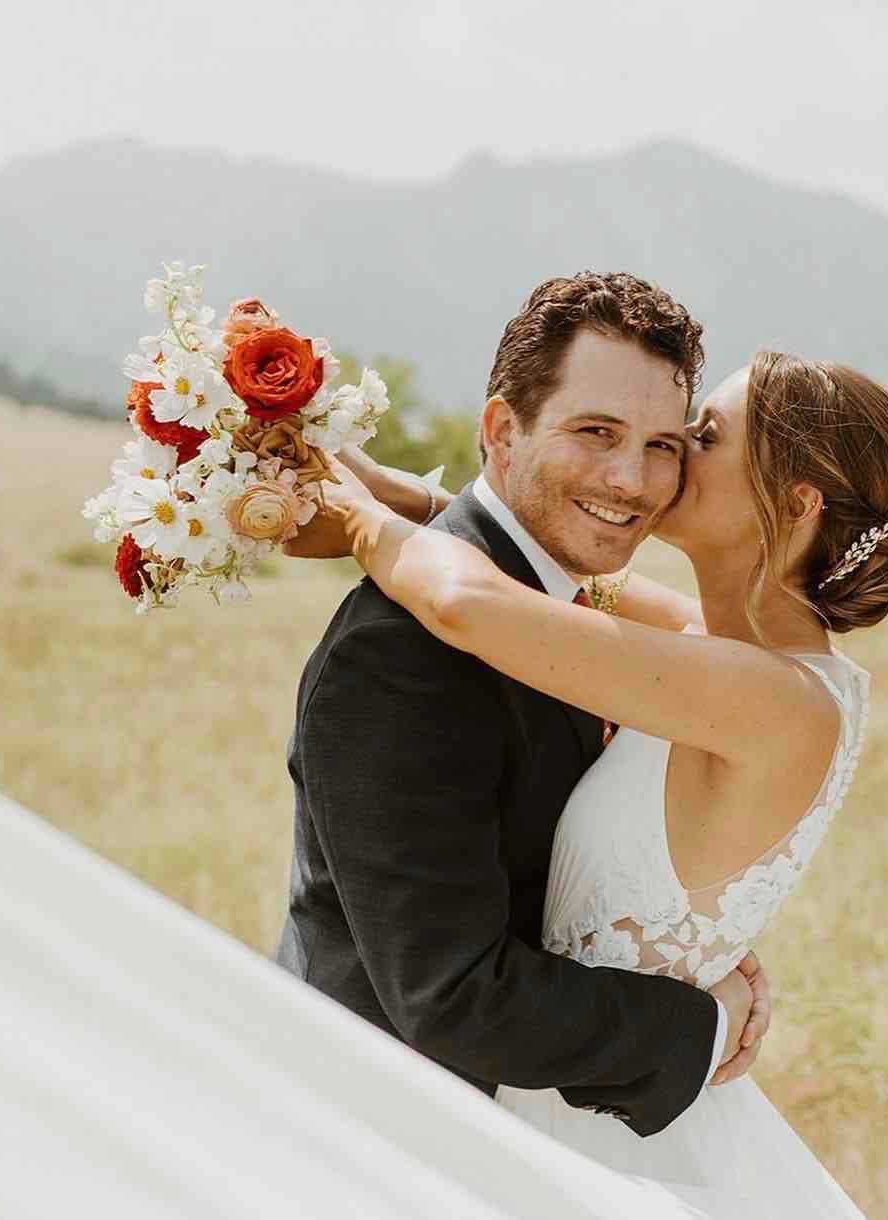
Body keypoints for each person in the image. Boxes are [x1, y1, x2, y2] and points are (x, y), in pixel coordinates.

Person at [285, 337, 888, 1215]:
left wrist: (357, 522)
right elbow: (562, 582)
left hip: (582, 1116)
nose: (660, 462)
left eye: (701, 438)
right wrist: (424, 494)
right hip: (582, 1080)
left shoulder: (760, 693)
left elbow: (474, 604)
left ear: (795, 501)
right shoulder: (729, 650)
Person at [275, 273, 770, 1145]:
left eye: (662, 445)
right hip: (388, 1144)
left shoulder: (559, 607)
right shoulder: (401, 654)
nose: (631, 480)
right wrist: (702, 1021)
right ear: (502, 432)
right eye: (596, 433)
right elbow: (453, 995)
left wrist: (675, 947)